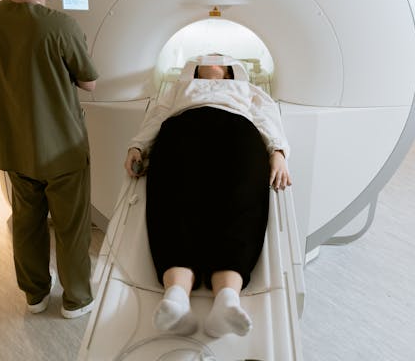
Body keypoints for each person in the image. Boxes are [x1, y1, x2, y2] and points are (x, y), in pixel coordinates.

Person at [0, 0, 99, 319]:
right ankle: (75, 299)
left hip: (16, 146)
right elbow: (89, 82)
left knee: (27, 223)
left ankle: (35, 295)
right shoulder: (61, 26)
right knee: (71, 227)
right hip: (62, 148)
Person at [123, 59, 291, 337]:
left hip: (238, 130)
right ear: (194, 70)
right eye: (204, 61)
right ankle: (176, 297)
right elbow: (158, 115)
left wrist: (278, 152)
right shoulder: (180, 88)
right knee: (174, 197)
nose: (211, 63)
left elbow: (267, 116)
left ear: (230, 71)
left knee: (241, 199)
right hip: (183, 128)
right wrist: (137, 145)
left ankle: (227, 300)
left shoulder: (245, 89)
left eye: (219, 61)